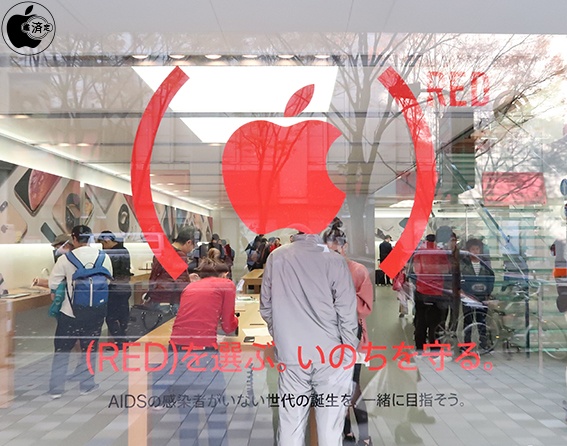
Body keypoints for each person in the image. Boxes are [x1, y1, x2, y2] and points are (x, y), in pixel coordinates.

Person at [260, 231, 358, 446]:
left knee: (290, 422)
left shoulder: (277, 257)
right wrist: (349, 350)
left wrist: (281, 335)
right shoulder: (334, 260)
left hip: (292, 352)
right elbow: (347, 311)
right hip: (331, 354)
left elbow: (266, 307)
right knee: (330, 426)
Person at [323, 218, 373, 446]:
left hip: (353, 338)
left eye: (336, 250)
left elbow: (365, 307)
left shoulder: (358, 271)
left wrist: (341, 297)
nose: (333, 255)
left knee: (352, 386)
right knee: (334, 387)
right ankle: (346, 432)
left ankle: (365, 435)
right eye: (328, 251)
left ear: (345, 247)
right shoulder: (320, 271)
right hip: (327, 338)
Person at [48, 225, 113, 398]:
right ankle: (86, 385)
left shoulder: (65, 259)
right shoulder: (104, 257)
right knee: (89, 348)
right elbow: (107, 281)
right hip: (96, 312)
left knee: (62, 349)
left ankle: (56, 389)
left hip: (70, 312)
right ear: (90, 238)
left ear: (74, 239)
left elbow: (53, 284)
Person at [409, 234, 451, 352]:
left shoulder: (419, 252)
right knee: (436, 323)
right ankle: (435, 348)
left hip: (421, 290)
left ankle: (420, 346)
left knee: (420, 320)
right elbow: (446, 269)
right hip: (437, 291)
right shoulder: (441, 252)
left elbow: (415, 270)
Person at [146, 226, 195, 315]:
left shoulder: (162, 251)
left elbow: (155, 276)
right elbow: (179, 284)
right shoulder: (179, 256)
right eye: (193, 246)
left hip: (157, 297)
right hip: (170, 300)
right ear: (189, 242)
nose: (192, 249)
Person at [97, 230, 133, 349]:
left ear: (107, 241)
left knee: (110, 317)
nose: (102, 247)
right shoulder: (124, 250)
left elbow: (109, 272)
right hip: (125, 288)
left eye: (103, 243)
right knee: (123, 316)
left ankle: (120, 340)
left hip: (114, 288)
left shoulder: (110, 254)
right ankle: (123, 339)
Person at [460, 238, 494, 349]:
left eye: (477, 249)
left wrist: (488, 292)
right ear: (468, 250)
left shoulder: (485, 263)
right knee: (468, 320)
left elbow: (490, 278)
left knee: (482, 320)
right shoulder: (463, 264)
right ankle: (467, 344)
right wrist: (462, 291)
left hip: (482, 296)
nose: (475, 251)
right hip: (468, 296)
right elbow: (459, 278)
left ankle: (483, 342)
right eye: (473, 249)